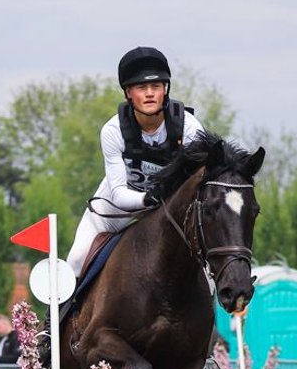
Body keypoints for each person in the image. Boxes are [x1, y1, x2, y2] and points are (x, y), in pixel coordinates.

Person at [65, 46, 207, 278]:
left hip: (170, 209)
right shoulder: (113, 131)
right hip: (116, 208)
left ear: (165, 90)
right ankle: (66, 302)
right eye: (142, 87)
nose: (150, 93)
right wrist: (147, 198)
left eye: (156, 86)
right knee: (76, 260)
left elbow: (197, 185)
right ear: (128, 93)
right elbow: (119, 193)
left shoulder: (189, 128)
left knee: (207, 271)